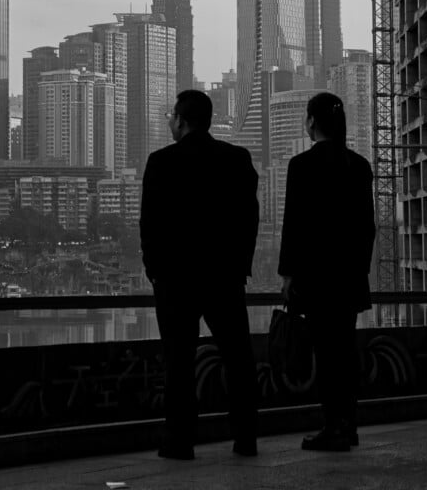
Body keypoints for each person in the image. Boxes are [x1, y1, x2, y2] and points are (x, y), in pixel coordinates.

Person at [140, 89, 260, 460]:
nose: (170, 123)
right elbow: (249, 220)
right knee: (238, 358)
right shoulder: (237, 159)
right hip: (224, 277)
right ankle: (245, 437)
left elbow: (150, 225)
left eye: (171, 117)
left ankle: (179, 441)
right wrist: (240, 266)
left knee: (178, 362)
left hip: (175, 280)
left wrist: (155, 271)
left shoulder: (161, 162)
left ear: (181, 119)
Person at [278, 92, 376, 452]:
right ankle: (347, 425)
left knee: (326, 355)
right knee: (344, 354)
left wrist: (289, 275)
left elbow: (295, 226)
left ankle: (333, 426)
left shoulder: (301, 166)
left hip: (316, 281)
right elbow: (368, 228)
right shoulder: (359, 165)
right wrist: (357, 271)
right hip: (349, 280)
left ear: (311, 122)